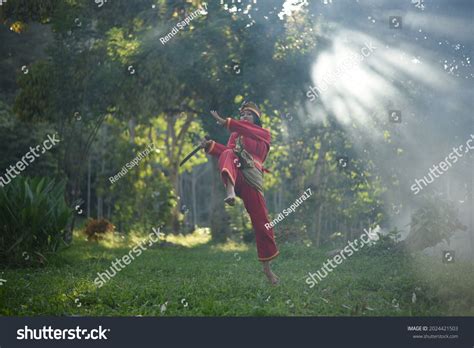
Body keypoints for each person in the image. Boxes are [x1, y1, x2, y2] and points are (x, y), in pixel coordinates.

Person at [201, 102, 279, 285]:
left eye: (248, 115)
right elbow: (228, 152)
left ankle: (267, 270)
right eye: (242, 114)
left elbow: (246, 129)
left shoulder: (263, 133)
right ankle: (230, 192)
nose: (244, 117)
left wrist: (225, 121)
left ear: (256, 119)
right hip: (236, 177)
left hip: (251, 180)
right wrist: (210, 145)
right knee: (228, 152)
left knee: (263, 225)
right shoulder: (235, 135)